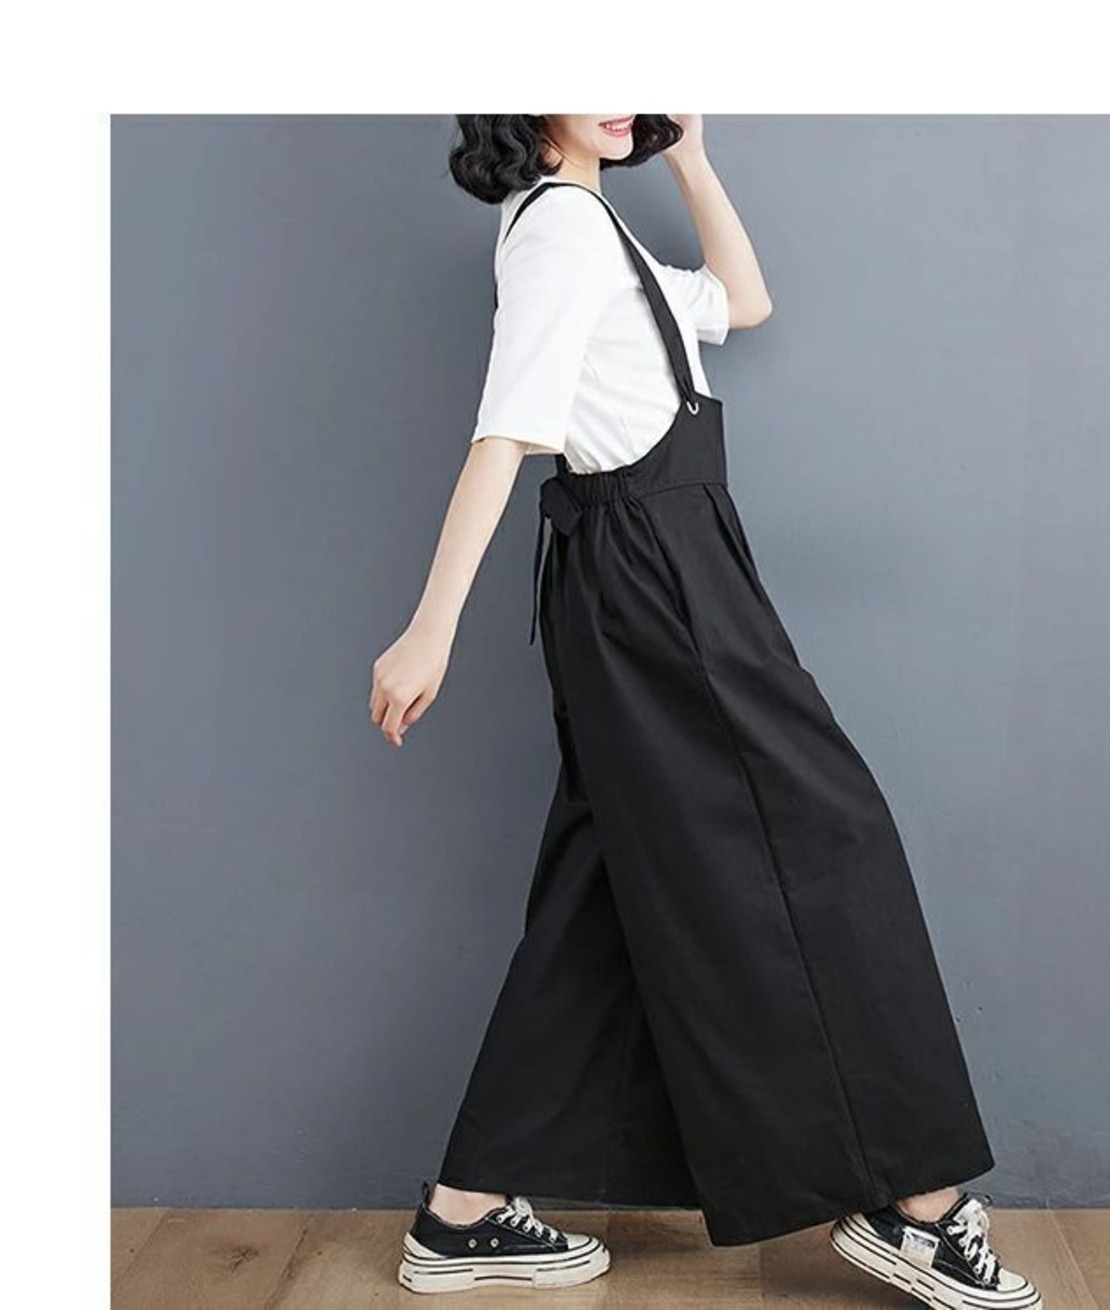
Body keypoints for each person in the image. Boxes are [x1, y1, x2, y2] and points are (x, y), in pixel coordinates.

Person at [369, 114, 1041, 1310]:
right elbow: (506, 434)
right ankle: (917, 1208)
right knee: (827, 839)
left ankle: (460, 1213)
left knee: (603, 887)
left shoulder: (586, 225)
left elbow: (744, 300)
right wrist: (432, 625)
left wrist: (687, 155)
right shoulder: (559, 234)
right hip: (654, 575)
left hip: (664, 566)